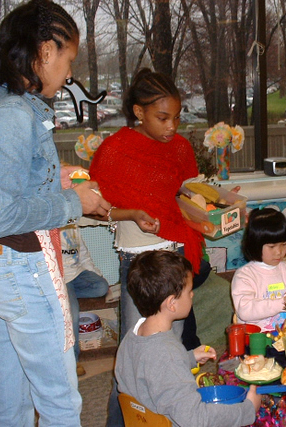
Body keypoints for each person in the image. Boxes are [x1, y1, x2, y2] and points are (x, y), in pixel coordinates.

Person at [0, 0, 111, 425]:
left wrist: (51, 176)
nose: (69, 72)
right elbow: (4, 216)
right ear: (46, 51)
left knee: (10, 391)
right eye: (68, 59)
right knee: (58, 399)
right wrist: (77, 202)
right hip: (18, 266)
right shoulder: (16, 114)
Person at [89, 68, 209, 424]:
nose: (172, 126)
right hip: (140, 264)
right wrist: (133, 214)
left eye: (176, 117)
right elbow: (95, 208)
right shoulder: (114, 150)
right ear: (139, 113)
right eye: (162, 118)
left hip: (175, 257)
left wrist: (218, 209)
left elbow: (191, 197)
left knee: (169, 352)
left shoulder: (181, 148)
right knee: (135, 354)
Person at [115, 250, 261, 426]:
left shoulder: (133, 334)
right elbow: (196, 419)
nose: (192, 295)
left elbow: (150, 369)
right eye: (189, 291)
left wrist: (188, 358)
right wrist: (247, 410)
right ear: (171, 304)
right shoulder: (167, 353)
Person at [231, 208, 286, 331]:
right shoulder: (244, 276)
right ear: (255, 244)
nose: (279, 252)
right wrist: (282, 302)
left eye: (283, 244)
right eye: (272, 247)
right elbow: (245, 311)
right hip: (256, 339)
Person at [60, 223, 110, 376]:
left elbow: (84, 255)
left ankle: (71, 295)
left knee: (101, 287)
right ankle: (73, 361)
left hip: (77, 274)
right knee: (72, 314)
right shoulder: (50, 229)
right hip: (60, 276)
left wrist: (98, 275)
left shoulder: (73, 226)